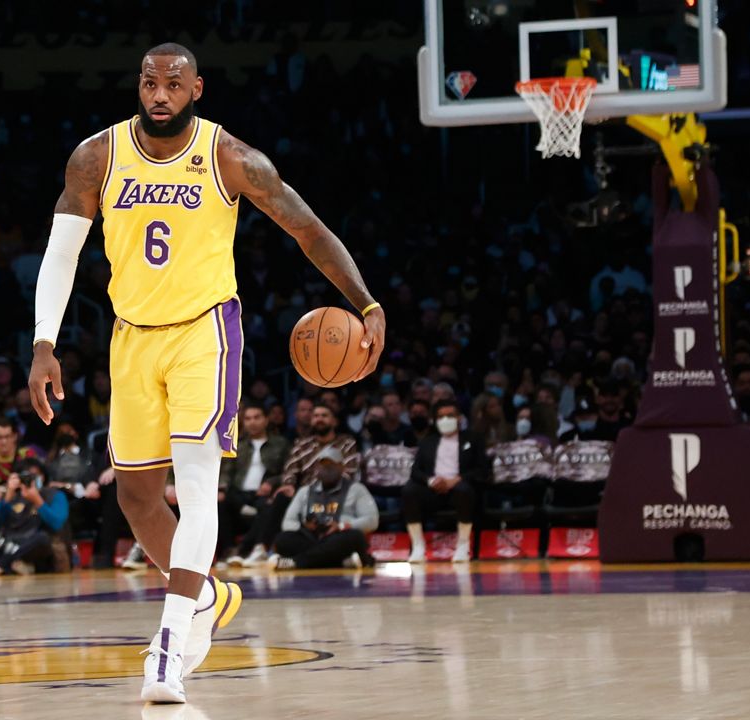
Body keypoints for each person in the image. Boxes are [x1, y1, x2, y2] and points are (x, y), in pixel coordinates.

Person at [27, 41, 384, 704]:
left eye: (173, 84)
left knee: (195, 487)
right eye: (148, 83)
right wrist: (44, 342)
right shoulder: (96, 156)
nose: (158, 94)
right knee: (135, 497)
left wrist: (365, 302)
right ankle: (211, 595)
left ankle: (169, 643)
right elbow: (60, 255)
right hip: (131, 337)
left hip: (205, 333)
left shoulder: (229, 157)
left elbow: (308, 230)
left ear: (197, 90)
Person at [229, 403, 359, 566]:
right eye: (316, 416)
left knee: (353, 536)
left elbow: (349, 473)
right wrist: (289, 484)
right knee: (279, 499)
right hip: (304, 495)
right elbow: (290, 469)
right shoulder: (302, 444)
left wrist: (324, 489)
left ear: (334, 421)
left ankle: (300, 559)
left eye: (324, 416)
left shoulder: (346, 443)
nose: (319, 419)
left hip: (336, 494)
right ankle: (258, 549)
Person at [403, 399, 489, 564]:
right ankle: (418, 546)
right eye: (441, 416)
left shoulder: (473, 438)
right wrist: (431, 481)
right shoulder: (428, 441)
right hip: (433, 489)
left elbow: (482, 470)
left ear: (459, 418)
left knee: (464, 490)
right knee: (409, 490)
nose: (445, 420)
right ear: (435, 420)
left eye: (450, 415)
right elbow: (415, 471)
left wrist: (457, 480)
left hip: (459, 487)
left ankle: (463, 545)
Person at [268, 447, 378, 570]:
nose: (327, 470)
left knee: (356, 537)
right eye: (323, 466)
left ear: (342, 467)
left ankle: (296, 562)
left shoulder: (356, 489)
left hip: (338, 537)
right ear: (316, 468)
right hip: (312, 538)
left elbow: (372, 520)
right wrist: (304, 527)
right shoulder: (305, 491)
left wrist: (341, 526)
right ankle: (341, 562)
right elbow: (287, 522)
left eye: (331, 465)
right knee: (282, 539)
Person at [0, 458, 68, 575]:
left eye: (35, 475)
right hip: (9, 544)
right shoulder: (13, 496)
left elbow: (57, 524)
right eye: (25, 476)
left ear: (43, 476)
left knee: (42, 539)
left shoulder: (55, 495)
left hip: (34, 547)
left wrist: (37, 501)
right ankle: (16, 565)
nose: (31, 480)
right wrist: (8, 496)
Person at [219, 405, 290, 564]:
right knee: (220, 502)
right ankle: (228, 551)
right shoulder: (237, 444)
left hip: (263, 494)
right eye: (248, 418)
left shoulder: (281, 444)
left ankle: (248, 550)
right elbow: (227, 471)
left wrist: (271, 483)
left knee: (269, 505)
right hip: (238, 495)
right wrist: (221, 489)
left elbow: (288, 471)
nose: (252, 422)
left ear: (266, 420)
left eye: (257, 417)